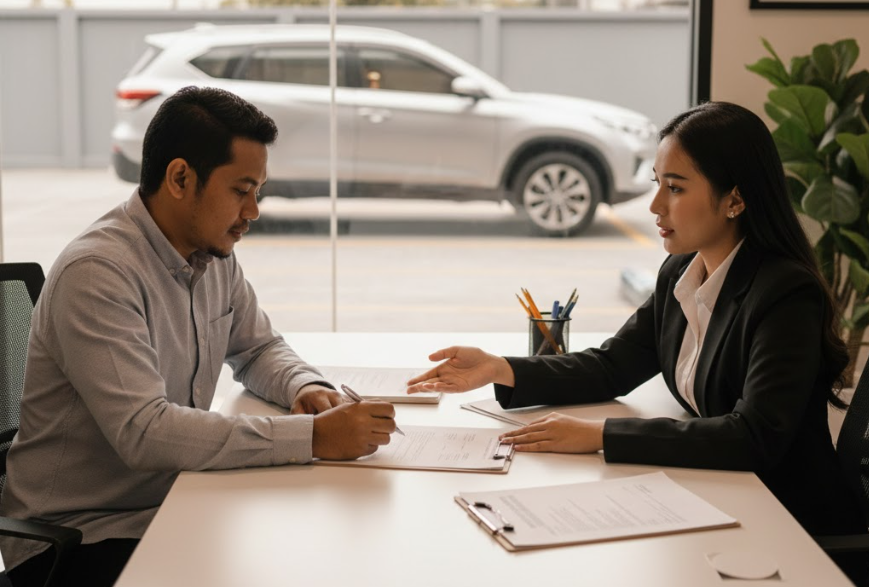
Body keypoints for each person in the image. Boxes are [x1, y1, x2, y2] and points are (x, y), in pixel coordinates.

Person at [408, 102, 866, 545]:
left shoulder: (784, 293)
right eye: (657, 183)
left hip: (789, 523)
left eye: (676, 188)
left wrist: (600, 435)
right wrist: (500, 368)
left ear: (736, 199)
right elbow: (613, 365)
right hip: (723, 496)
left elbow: (753, 437)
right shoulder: (682, 272)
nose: (654, 206)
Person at [0, 86, 397, 587]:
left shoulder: (211, 256)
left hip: (173, 500)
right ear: (181, 178)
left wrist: (304, 388)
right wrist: (315, 437)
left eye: (259, 191)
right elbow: (144, 432)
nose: (253, 211)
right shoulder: (98, 273)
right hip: (81, 538)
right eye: (241, 190)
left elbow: (258, 347)